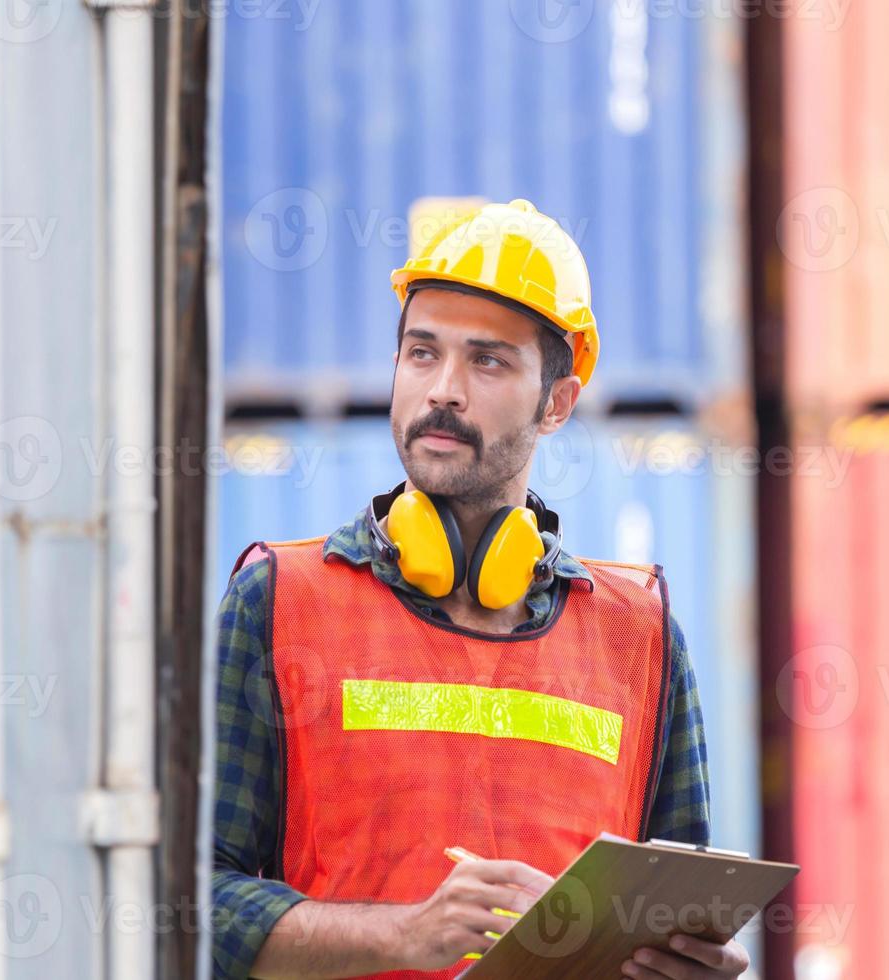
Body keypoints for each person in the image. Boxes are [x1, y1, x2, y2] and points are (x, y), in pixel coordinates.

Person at [212, 200, 746, 979]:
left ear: (556, 403)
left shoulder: (641, 637)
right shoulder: (279, 602)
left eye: (487, 361)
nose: (444, 391)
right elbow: (189, 900)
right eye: (422, 353)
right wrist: (400, 937)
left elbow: (679, 910)